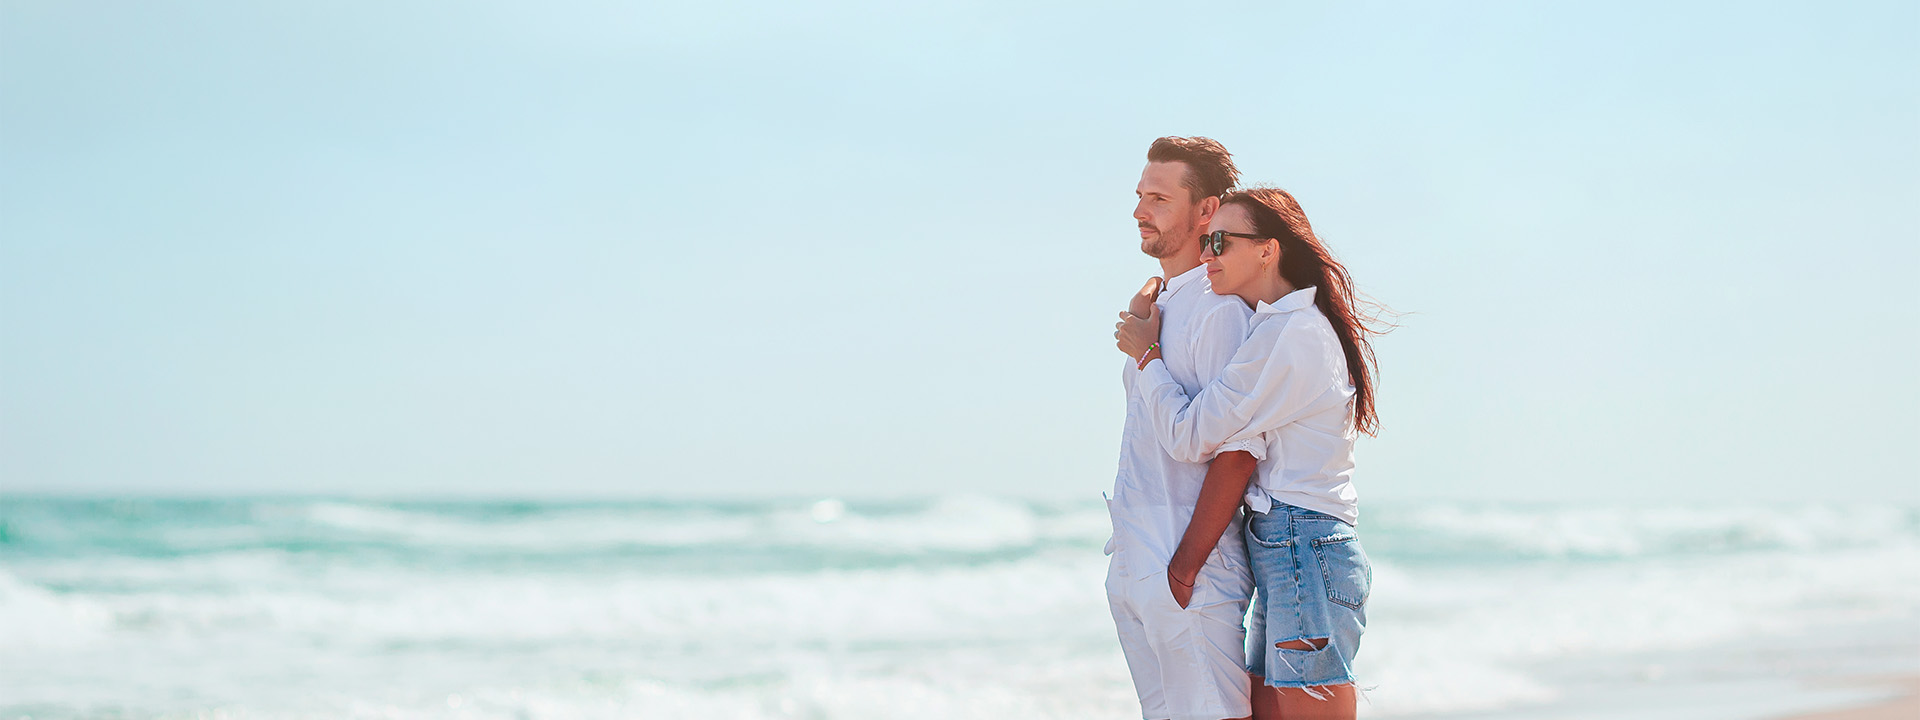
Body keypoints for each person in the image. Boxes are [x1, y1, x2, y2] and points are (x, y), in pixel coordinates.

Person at [1115, 187, 1381, 720]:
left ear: (1268, 250)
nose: (1206, 253)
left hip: (1302, 542)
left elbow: (1191, 435)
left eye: (1220, 241)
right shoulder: (1278, 327)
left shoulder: (1288, 335)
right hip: (1286, 543)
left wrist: (1147, 356)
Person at [1104, 137, 1264, 720]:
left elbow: (1240, 447)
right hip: (1139, 563)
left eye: (1159, 199)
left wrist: (1185, 569)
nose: (1140, 211)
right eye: (1140, 197)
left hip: (1187, 571)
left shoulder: (1221, 309)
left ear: (1206, 212)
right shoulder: (1162, 305)